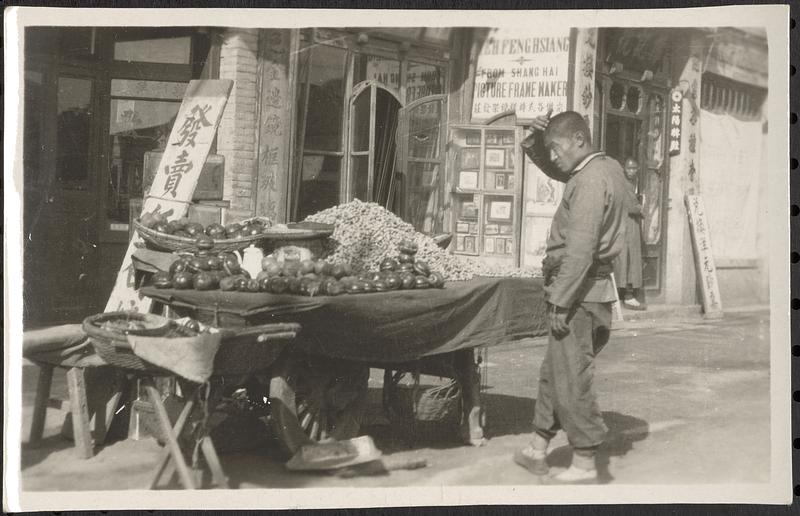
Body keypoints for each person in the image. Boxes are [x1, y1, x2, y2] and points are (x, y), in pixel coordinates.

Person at [515, 110, 629, 484]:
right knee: (555, 370)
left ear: (579, 140)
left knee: (571, 377)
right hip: (585, 290)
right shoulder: (603, 168)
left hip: (578, 293)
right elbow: (562, 170)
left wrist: (561, 300)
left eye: (557, 148)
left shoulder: (591, 180)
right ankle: (537, 447)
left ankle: (584, 461)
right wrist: (536, 142)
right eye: (549, 150)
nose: (553, 157)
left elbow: (580, 249)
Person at [614, 157, 646, 310]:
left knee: (631, 258)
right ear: (624, 169)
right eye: (629, 168)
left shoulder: (635, 184)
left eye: (634, 168)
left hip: (631, 225)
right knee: (625, 258)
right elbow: (629, 206)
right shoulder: (622, 184)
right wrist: (639, 208)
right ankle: (626, 295)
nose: (631, 171)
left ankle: (628, 293)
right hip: (624, 223)